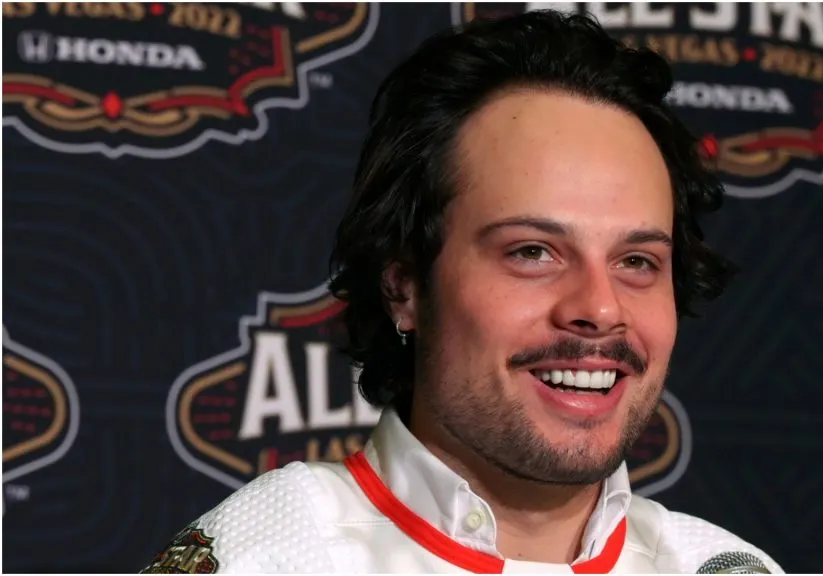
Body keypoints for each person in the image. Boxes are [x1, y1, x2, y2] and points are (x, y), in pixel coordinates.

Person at [142, 10, 782, 574]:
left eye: (637, 261)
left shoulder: (720, 567)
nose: (600, 307)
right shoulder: (271, 554)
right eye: (533, 252)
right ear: (404, 286)